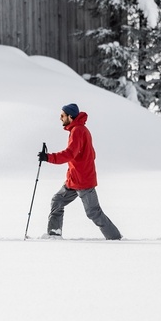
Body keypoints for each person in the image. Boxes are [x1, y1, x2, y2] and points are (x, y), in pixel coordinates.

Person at [38, 103, 122, 240]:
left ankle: (115, 238)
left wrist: (48, 157)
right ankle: (54, 234)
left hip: (83, 181)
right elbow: (91, 154)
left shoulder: (78, 131)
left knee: (93, 213)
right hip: (74, 180)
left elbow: (70, 154)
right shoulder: (80, 130)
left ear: (70, 116)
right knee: (57, 201)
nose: (60, 118)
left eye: (62, 115)